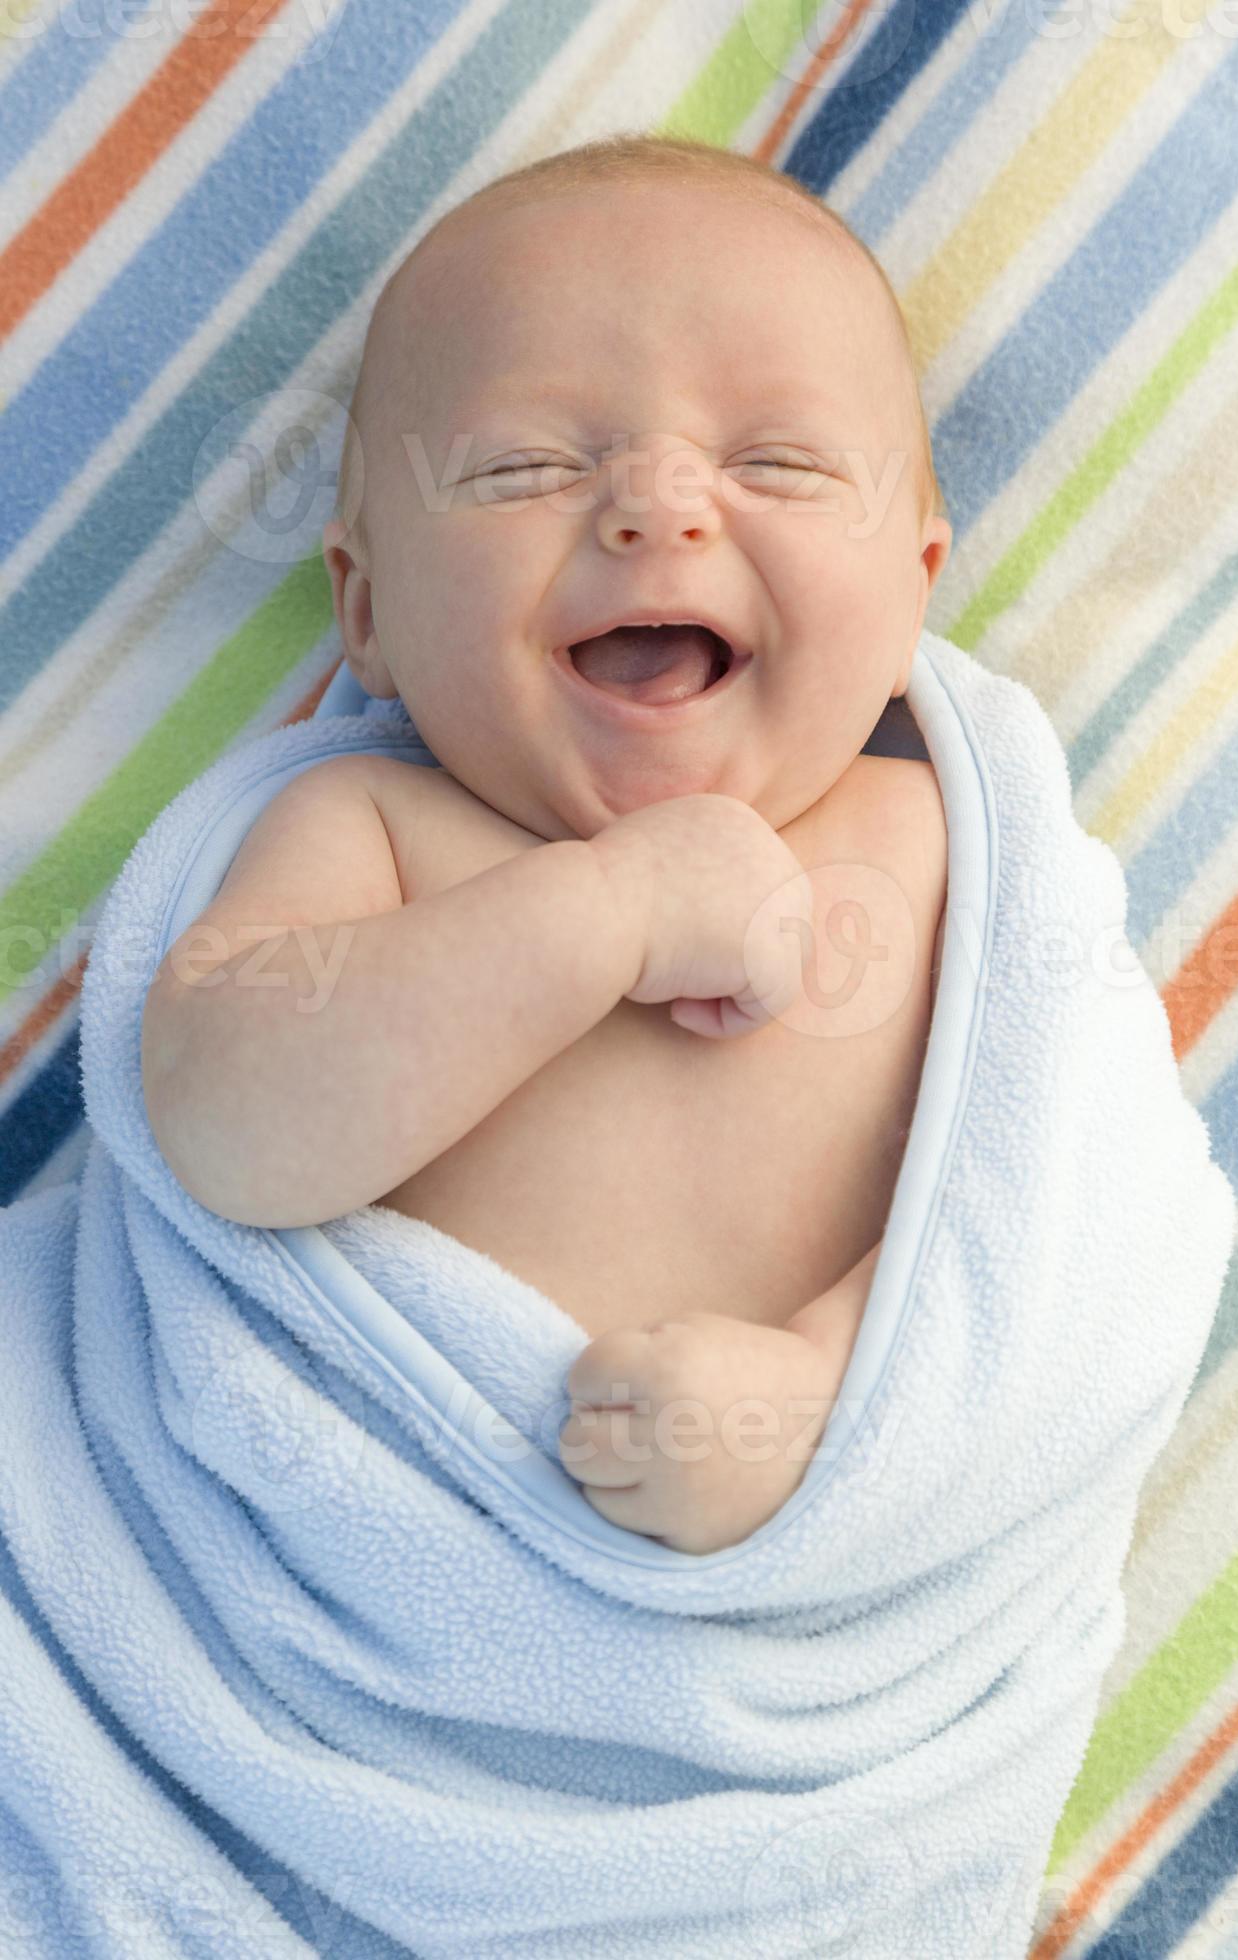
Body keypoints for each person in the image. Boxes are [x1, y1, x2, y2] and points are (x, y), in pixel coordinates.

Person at [141, 135, 954, 1557]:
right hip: (378, 1594)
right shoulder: (372, 836)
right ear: (369, 609)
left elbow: (1055, 1235)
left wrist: (823, 1395)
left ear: (911, 601)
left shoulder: (955, 862)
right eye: (523, 467)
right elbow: (220, 1125)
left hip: (796, 1614)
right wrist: (605, 910)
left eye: (776, 461)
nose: (656, 504)